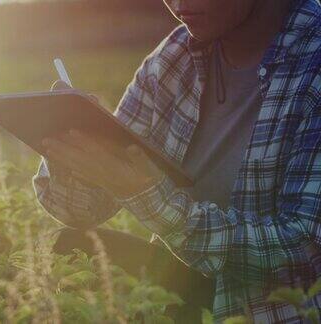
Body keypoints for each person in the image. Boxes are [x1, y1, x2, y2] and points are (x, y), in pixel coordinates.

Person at [33, 0, 321, 322]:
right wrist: (69, 145)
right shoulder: (174, 56)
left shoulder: (314, 63)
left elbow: (301, 248)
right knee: (70, 247)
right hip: (190, 290)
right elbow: (84, 209)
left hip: (276, 308)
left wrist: (149, 196)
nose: (180, 4)